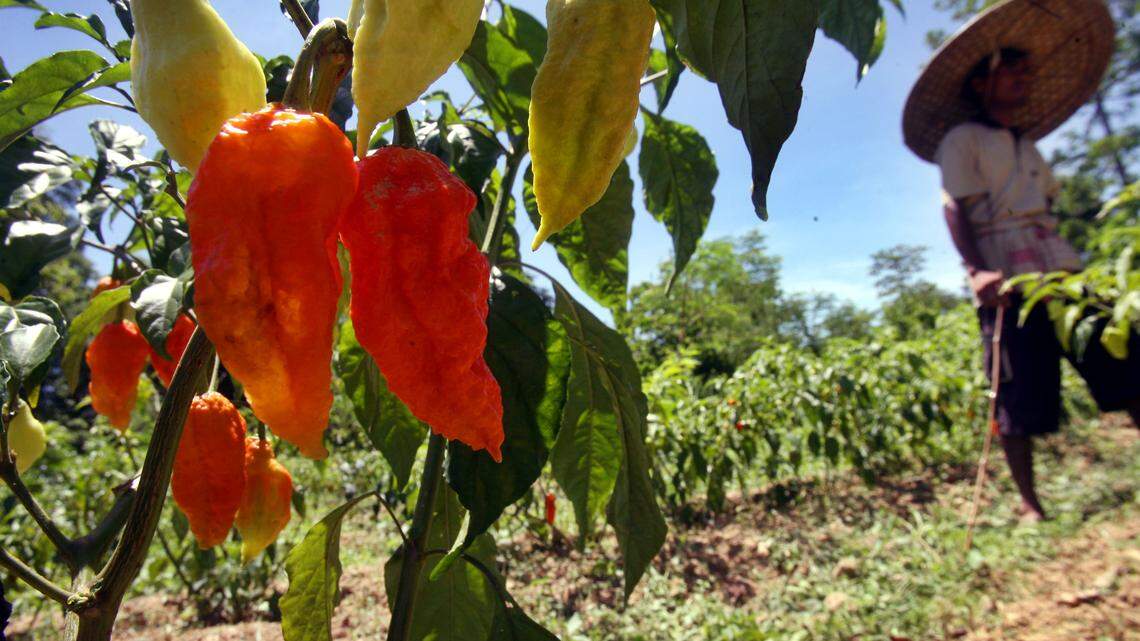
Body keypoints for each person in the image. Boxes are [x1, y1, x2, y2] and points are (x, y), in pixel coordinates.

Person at [902, 0, 1140, 522]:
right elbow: (955, 208)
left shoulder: (1025, 145)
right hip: (1006, 271)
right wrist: (977, 270)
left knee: (1122, 354)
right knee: (1018, 390)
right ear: (982, 84)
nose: (1020, 80)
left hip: (1060, 267)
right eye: (1010, 73)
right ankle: (1032, 504)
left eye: (1024, 73)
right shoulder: (962, 141)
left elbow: (1048, 204)